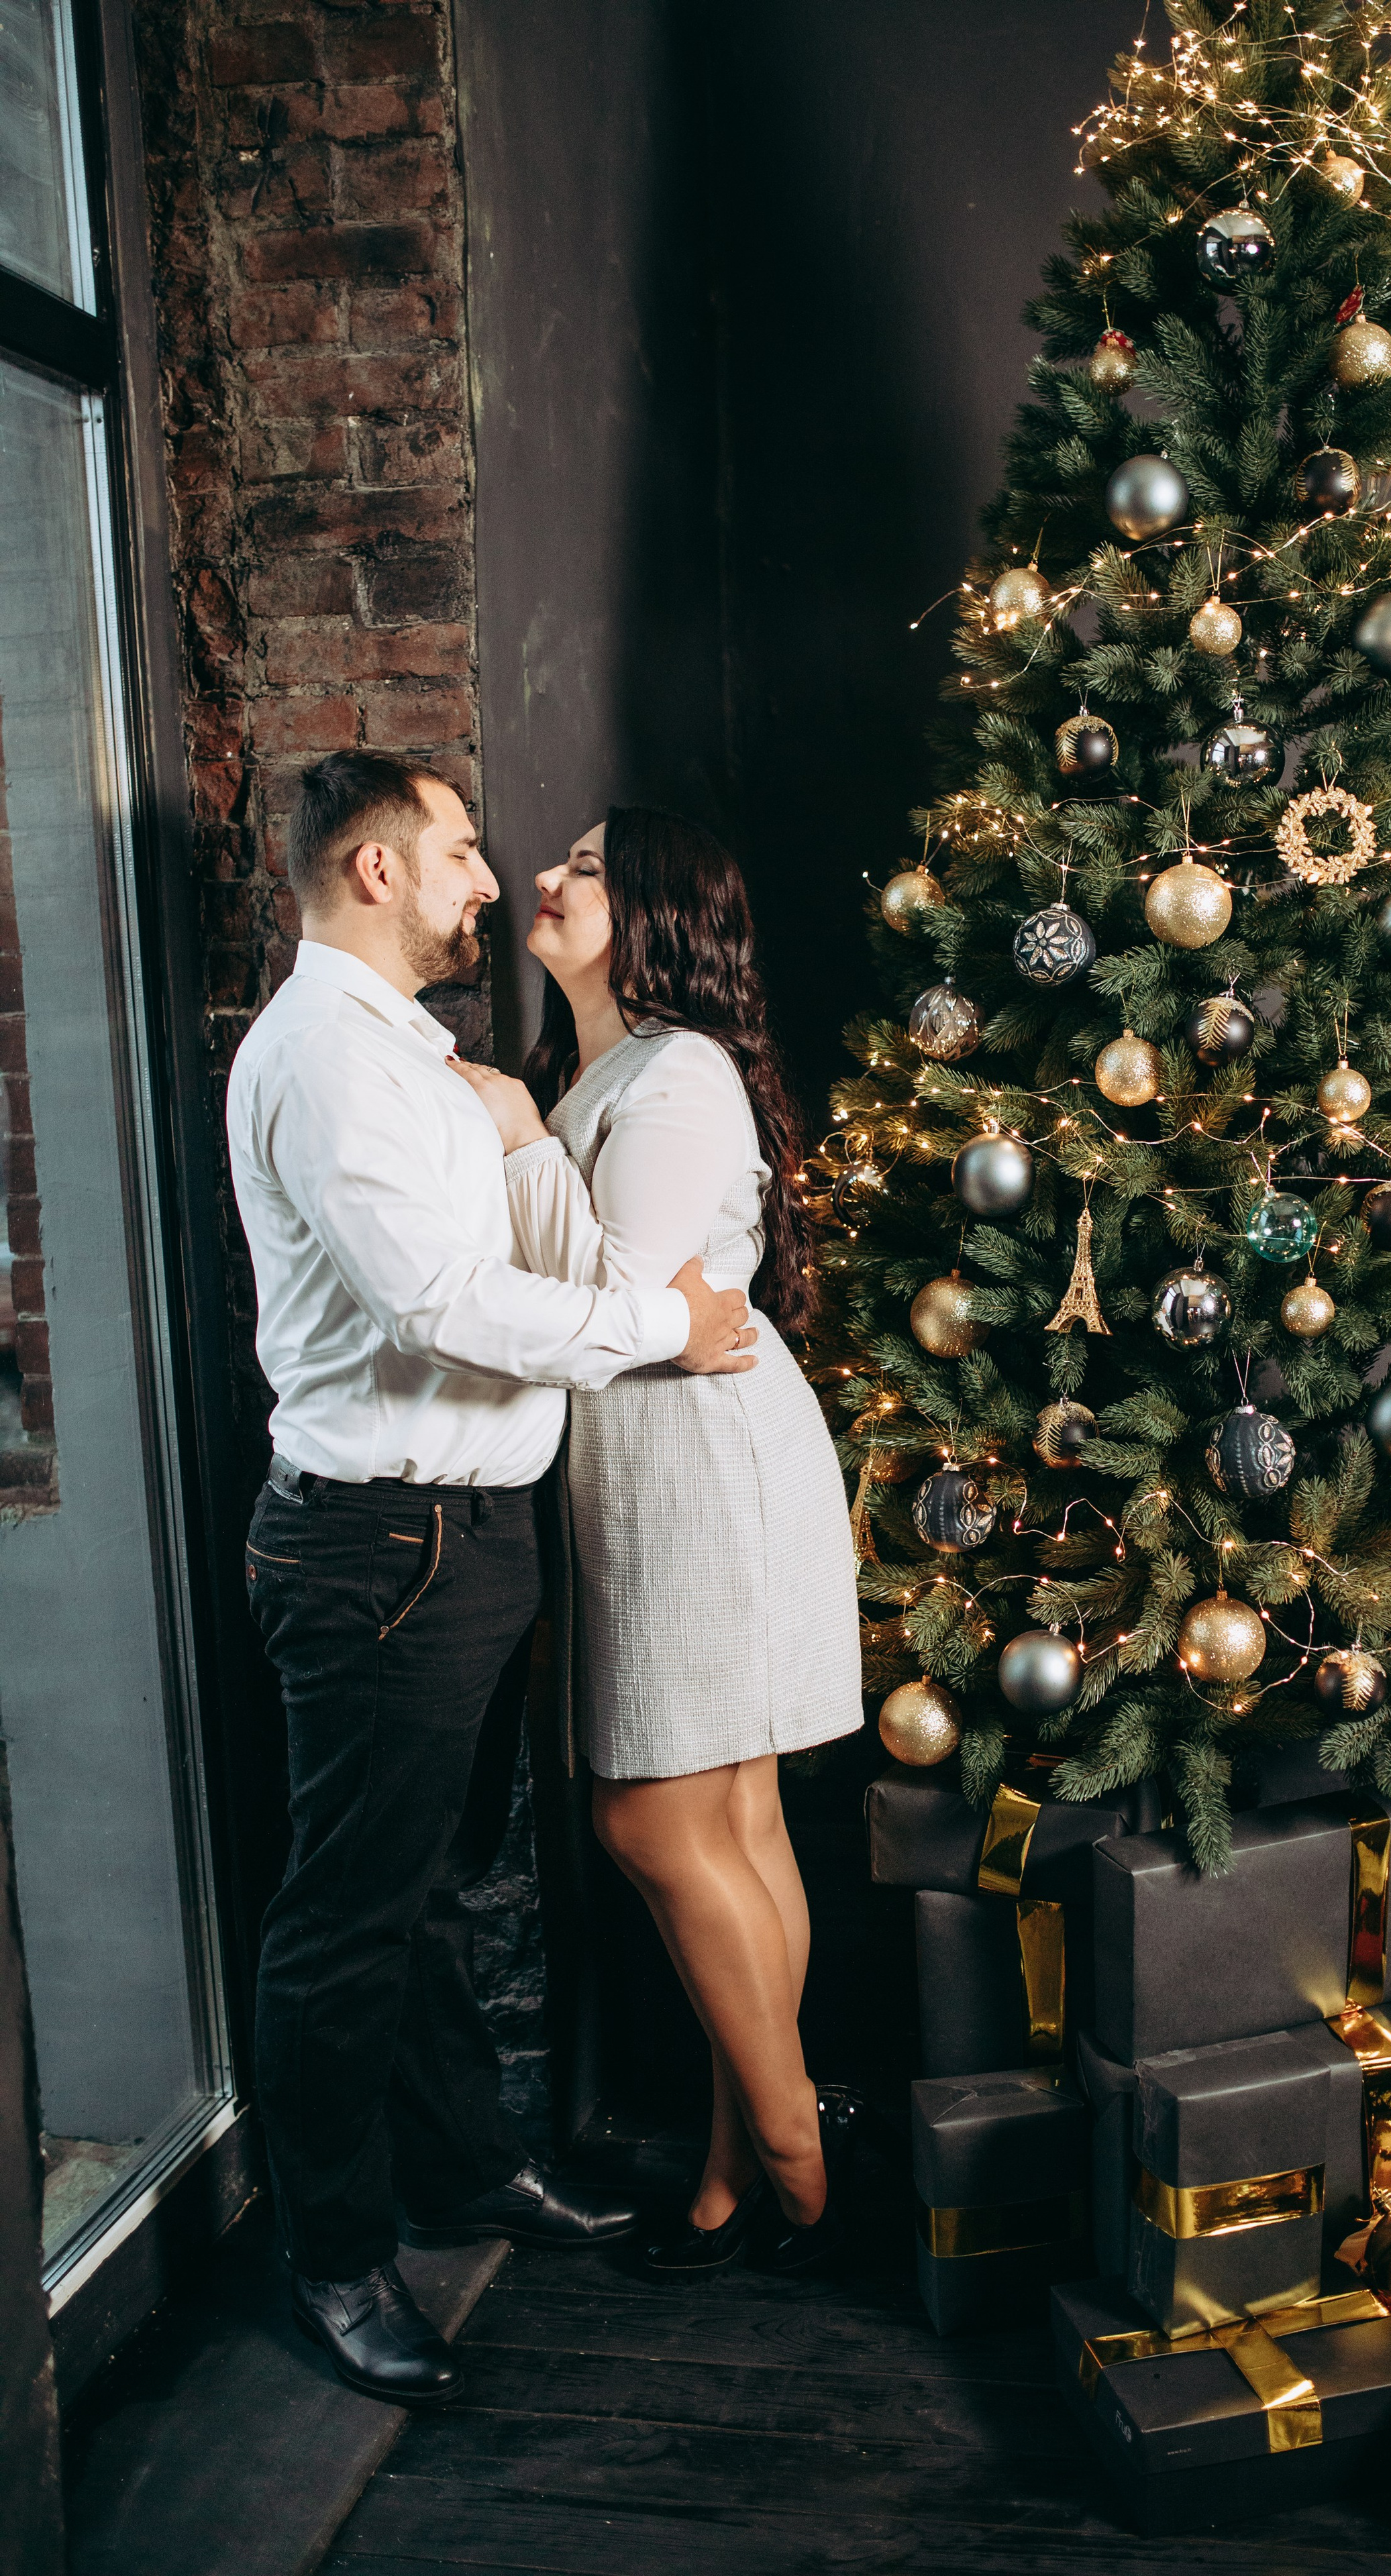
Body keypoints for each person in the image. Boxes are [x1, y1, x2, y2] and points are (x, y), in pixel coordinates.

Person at [227, 753, 757, 2406]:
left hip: (462, 1544)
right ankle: (334, 2256)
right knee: (346, 1920)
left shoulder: (418, 1057)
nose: (487, 877)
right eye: (459, 850)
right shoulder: (322, 1058)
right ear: (375, 871)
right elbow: (440, 1307)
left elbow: (509, 1262)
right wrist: (665, 1328)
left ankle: (464, 2169)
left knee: (441, 1890)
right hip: (381, 1544)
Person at [451, 806, 864, 2278]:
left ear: (656, 915)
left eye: (584, 867)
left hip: (695, 1461)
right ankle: (731, 2157)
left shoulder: (673, 1074)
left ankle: (797, 2147)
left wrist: (512, 1142)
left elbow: (625, 1295)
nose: (546, 880)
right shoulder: (608, 1070)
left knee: (652, 1824)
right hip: (654, 1458)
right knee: (733, 1823)